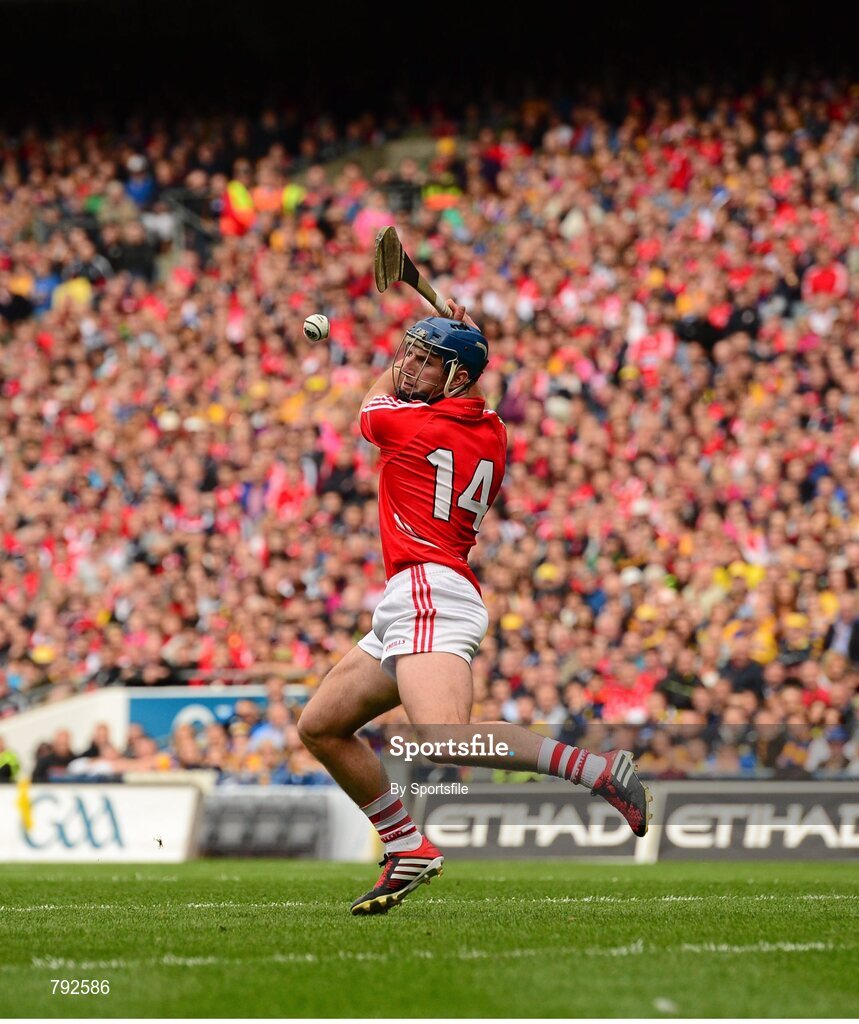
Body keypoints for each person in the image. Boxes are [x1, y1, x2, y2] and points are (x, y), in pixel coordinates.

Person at [298, 300, 651, 916]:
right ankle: (406, 844)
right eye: (408, 352)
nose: (407, 366)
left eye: (426, 361)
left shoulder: (409, 427)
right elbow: (449, 393)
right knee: (322, 725)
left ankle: (597, 771)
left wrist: (436, 347)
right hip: (413, 595)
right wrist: (453, 338)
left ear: (457, 378)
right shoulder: (492, 429)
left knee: (445, 739)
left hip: (431, 590)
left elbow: (372, 403)